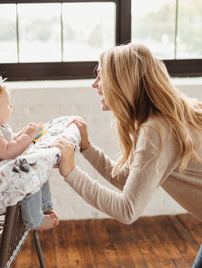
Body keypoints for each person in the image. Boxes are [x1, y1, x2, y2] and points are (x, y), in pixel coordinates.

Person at [53, 43, 202, 267]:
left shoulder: (157, 130)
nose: (94, 84)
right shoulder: (163, 117)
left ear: (121, 82)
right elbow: (126, 180)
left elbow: (127, 209)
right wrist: (87, 148)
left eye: (100, 76)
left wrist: (71, 172)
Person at [0, 76, 59, 230]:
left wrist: (21, 135)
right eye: (8, 104)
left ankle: (45, 205)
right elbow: (7, 151)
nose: (11, 106)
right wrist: (27, 137)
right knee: (28, 168)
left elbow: (6, 142)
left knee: (38, 163)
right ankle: (34, 219)